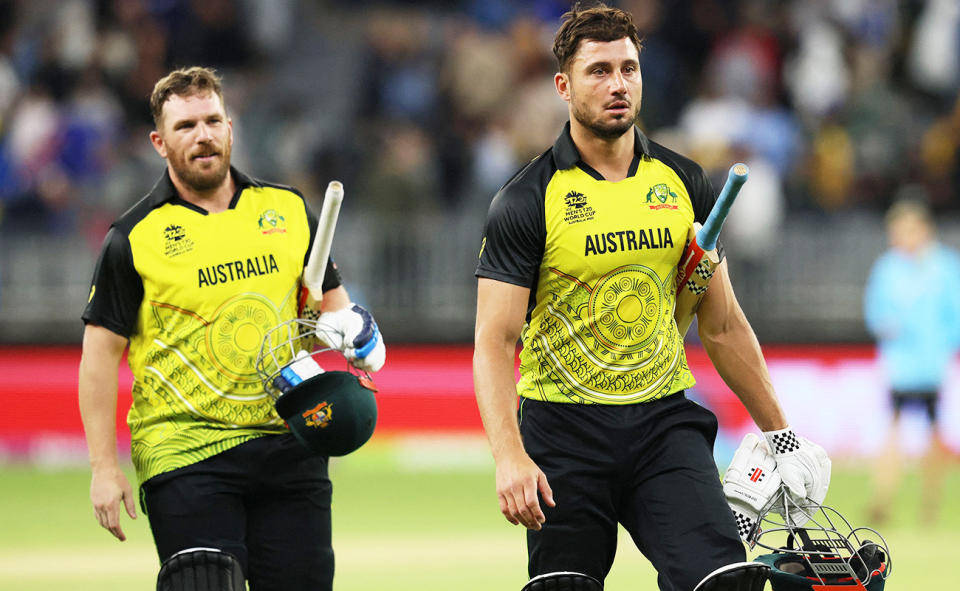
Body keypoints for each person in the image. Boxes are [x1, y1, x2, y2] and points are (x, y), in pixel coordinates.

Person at [472, 6, 829, 590]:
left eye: (628, 69)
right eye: (598, 71)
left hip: (665, 424)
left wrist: (780, 436)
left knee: (723, 582)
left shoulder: (684, 181)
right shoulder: (525, 200)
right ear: (563, 85)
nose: (617, 84)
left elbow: (722, 324)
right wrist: (510, 457)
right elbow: (494, 342)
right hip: (563, 435)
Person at [78, 66, 384, 591]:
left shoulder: (288, 210)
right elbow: (100, 356)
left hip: (289, 441)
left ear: (230, 127)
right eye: (185, 126)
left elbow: (332, 308)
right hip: (185, 449)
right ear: (159, 141)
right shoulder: (132, 237)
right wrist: (103, 468)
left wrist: (355, 334)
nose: (203, 135)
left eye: (212, 120)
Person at [864, 198, 960, 524]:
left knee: (934, 433)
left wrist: (943, 345)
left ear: (922, 230)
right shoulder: (888, 267)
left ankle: (930, 505)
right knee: (893, 430)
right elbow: (875, 311)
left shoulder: (945, 267)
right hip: (900, 367)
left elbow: (955, 314)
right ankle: (882, 499)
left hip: (932, 365)